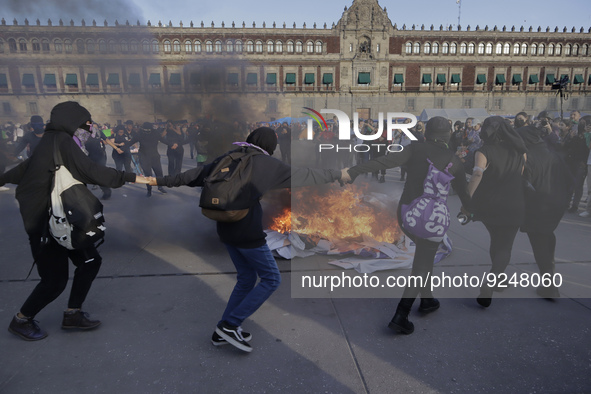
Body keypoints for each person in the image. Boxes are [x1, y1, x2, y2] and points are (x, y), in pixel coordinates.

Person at [149, 127, 341, 352]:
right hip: (248, 232)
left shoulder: (229, 158)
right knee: (271, 279)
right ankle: (231, 324)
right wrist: (339, 174)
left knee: (246, 278)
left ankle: (223, 328)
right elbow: (306, 175)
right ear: (270, 146)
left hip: (225, 228)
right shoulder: (266, 163)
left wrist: (155, 180)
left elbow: (191, 176)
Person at [0, 101, 149, 341]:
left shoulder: (52, 141)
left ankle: (73, 314)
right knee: (54, 280)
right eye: (86, 124)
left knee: (90, 261)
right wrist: (133, 177)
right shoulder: (62, 141)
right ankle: (21, 319)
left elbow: (22, 170)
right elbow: (91, 170)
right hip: (45, 225)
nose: (88, 129)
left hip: (65, 222)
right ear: (72, 122)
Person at [341, 117, 471, 334]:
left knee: (423, 259)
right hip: (432, 221)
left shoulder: (415, 149)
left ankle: (428, 300)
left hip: (407, 216)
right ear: (448, 135)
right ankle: (401, 314)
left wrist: (354, 170)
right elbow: (465, 196)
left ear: (427, 132)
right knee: (422, 264)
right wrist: (471, 210)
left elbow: (385, 161)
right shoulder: (454, 161)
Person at [463, 116, 528, 308]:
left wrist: (466, 202)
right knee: (505, 246)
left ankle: (498, 278)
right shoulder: (520, 150)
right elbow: (523, 173)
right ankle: (494, 279)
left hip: (490, 204)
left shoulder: (484, 151)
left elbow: (477, 174)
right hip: (514, 202)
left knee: (496, 240)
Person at [516, 123, 573, 298]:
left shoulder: (527, 158)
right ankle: (550, 268)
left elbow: (524, 184)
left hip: (537, 205)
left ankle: (549, 284)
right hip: (556, 204)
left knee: (539, 241)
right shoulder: (553, 154)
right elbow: (570, 180)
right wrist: (564, 200)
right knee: (547, 235)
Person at [127, 122, 169, 196]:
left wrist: (172, 144)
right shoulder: (140, 134)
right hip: (144, 158)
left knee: (159, 173)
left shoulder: (155, 133)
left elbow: (163, 140)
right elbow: (131, 142)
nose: (147, 131)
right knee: (148, 175)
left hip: (155, 157)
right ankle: (149, 190)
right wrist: (120, 148)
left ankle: (160, 187)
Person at [564, 119, 590, 213]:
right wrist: (571, 138)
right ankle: (567, 203)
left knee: (578, 185)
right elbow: (568, 147)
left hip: (581, 163)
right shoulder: (575, 136)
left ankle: (575, 205)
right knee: (571, 183)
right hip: (572, 162)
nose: (581, 125)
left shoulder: (587, 136)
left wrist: (584, 161)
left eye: (584, 123)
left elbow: (587, 149)